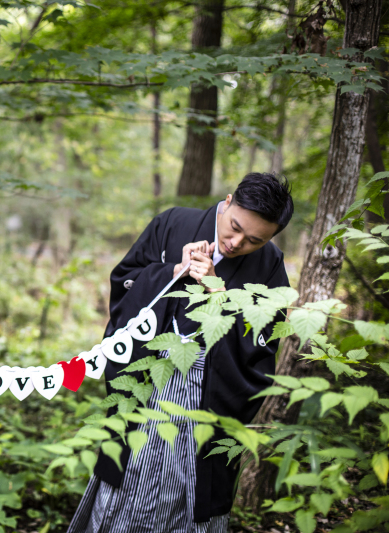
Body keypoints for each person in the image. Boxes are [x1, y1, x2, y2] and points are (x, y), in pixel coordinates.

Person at [68, 173, 294, 533]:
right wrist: (173, 272)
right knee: (129, 473)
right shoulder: (174, 223)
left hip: (208, 394)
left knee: (192, 491)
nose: (236, 243)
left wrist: (216, 292)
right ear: (228, 200)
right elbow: (124, 279)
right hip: (148, 379)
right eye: (234, 227)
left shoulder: (270, 265)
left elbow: (263, 342)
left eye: (254, 240)